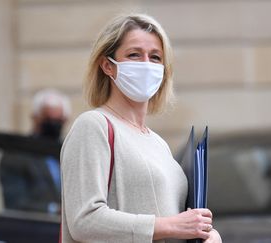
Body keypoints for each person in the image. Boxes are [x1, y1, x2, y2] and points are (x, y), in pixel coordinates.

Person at [60, 14, 222, 243]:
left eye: (155, 57)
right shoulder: (93, 126)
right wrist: (170, 226)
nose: (146, 64)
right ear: (108, 65)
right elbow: (84, 221)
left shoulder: (158, 144)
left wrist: (207, 234)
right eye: (134, 54)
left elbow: (179, 222)